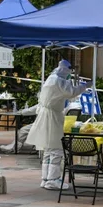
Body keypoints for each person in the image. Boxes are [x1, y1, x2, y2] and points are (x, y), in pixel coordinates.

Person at [27, 59, 88, 190]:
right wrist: (85, 86)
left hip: (45, 115)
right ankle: (53, 180)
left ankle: (45, 178)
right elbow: (71, 93)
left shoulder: (50, 79)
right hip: (52, 116)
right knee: (56, 148)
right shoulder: (58, 81)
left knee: (48, 148)